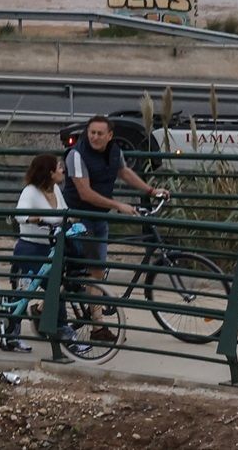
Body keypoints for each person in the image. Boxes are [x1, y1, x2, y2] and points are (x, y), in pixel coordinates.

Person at [62, 115, 166, 344]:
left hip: (98, 217)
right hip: (79, 217)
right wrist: (117, 204)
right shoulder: (76, 155)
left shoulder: (114, 151)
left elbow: (124, 172)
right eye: (92, 133)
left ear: (110, 136)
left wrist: (150, 191)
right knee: (85, 271)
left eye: (100, 134)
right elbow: (84, 192)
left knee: (94, 270)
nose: (95, 137)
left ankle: (93, 324)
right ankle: (91, 323)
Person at [2, 153, 71, 354]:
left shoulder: (56, 189)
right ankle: (61, 330)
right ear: (50, 172)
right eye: (59, 167)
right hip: (31, 248)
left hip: (50, 247)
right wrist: (36, 219)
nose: (62, 170)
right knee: (50, 286)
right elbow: (20, 214)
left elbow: (64, 212)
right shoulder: (30, 192)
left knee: (31, 290)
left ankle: (13, 332)